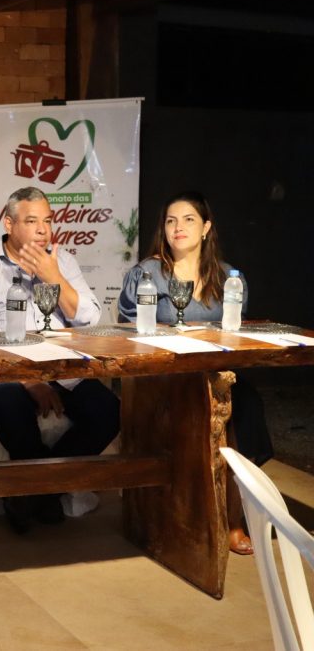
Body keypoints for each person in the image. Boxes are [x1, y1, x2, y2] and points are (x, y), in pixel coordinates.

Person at [118, 191, 271, 556]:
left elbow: (235, 331)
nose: (177, 228)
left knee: (244, 410)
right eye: (170, 221)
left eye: (187, 220)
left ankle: (233, 519)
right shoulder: (147, 273)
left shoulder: (229, 277)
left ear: (205, 228)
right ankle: (189, 517)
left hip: (217, 374)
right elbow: (126, 326)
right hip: (165, 377)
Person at [0, 186, 120, 534]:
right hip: (0, 371)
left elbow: (92, 320)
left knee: (108, 410)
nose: (43, 230)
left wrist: (55, 278)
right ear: (8, 223)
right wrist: (30, 380)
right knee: (8, 401)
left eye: (47, 221)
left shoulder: (61, 261)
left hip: (62, 369)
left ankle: (34, 491)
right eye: (32, 221)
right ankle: (40, 492)